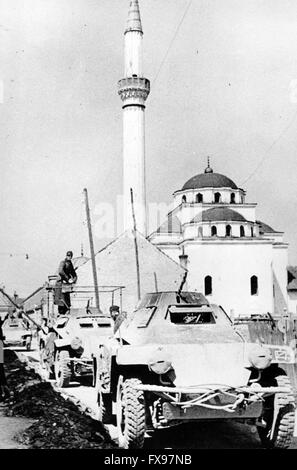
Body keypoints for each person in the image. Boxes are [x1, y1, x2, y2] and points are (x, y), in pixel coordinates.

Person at [54, 251, 77, 315]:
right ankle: (61, 313)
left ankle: (66, 312)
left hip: (66, 285)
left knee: (66, 302)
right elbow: (60, 271)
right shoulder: (63, 262)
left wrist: (74, 280)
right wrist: (67, 278)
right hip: (61, 284)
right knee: (61, 301)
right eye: (68, 256)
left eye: (70, 256)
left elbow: (74, 273)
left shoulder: (70, 264)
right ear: (66, 256)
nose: (69, 257)